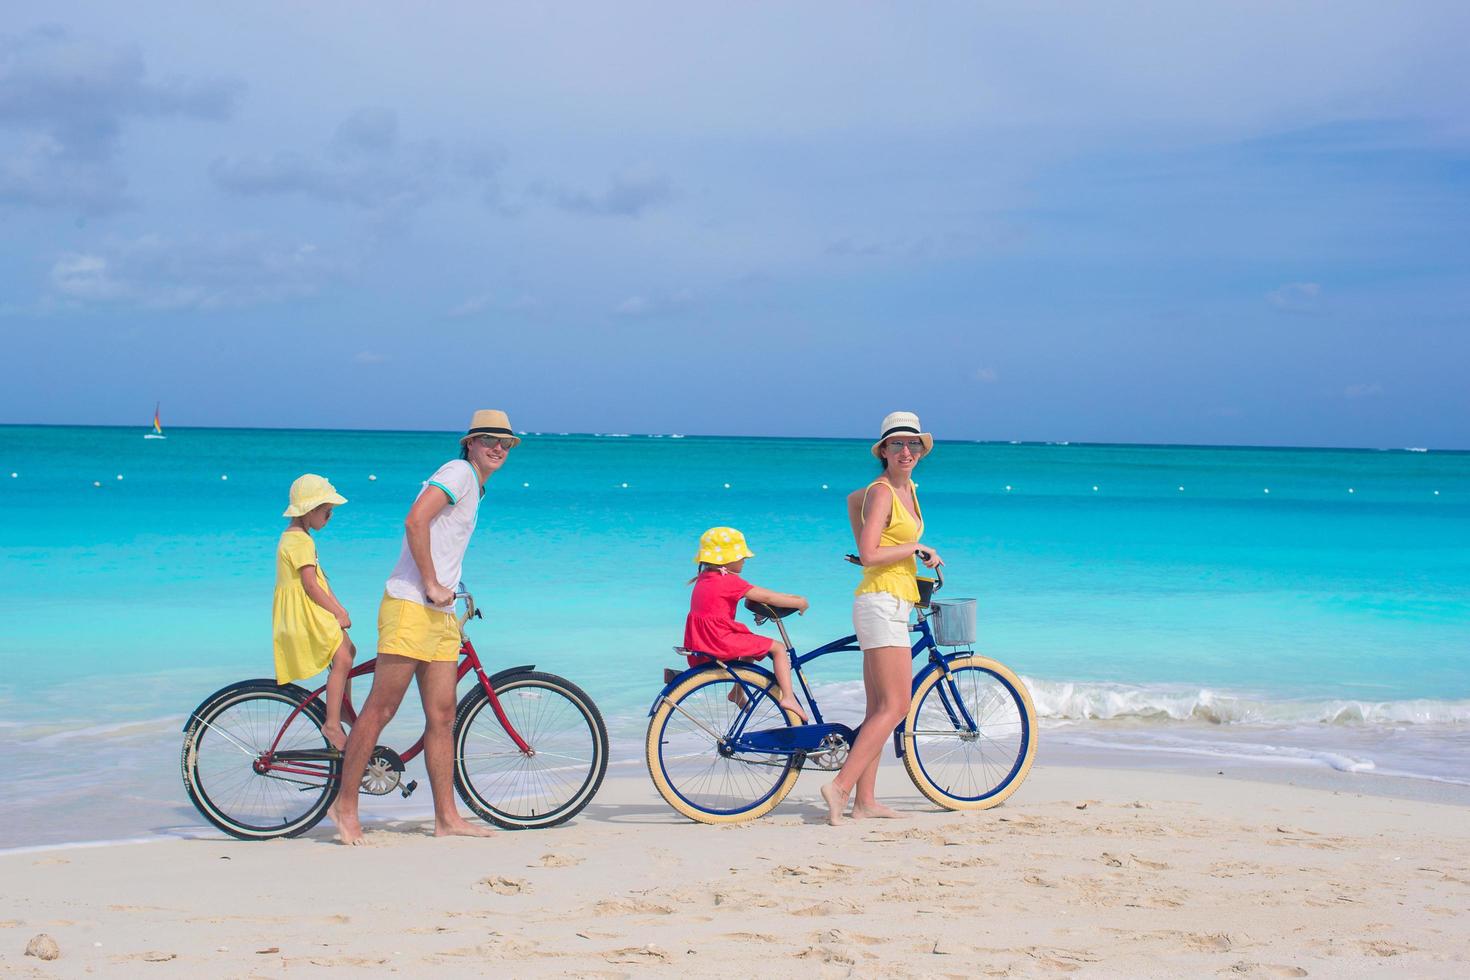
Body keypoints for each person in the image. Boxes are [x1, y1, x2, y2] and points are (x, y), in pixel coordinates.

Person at [328, 410, 518, 844]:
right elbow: (415, 520)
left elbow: (440, 537)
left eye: (505, 443)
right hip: (411, 606)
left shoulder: (475, 483)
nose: (498, 448)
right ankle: (345, 806)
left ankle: (446, 818)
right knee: (381, 709)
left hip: (439, 614)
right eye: (489, 439)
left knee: (443, 715)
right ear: (469, 442)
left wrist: (449, 584)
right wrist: (431, 582)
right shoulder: (458, 472)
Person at [821, 411, 942, 825]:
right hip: (882, 602)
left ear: (921, 450)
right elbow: (872, 554)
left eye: (912, 444)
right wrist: (914, 549)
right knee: (897, 704)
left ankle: (865, 801)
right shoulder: (885, 492)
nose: (905, 451)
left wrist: (892, 546)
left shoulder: (902, 490)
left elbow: (853, 500)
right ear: (884, 451)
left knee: (878, 708)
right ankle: (839, 788)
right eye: (896, 444)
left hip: (890, 599)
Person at [682, 527, 808, 721]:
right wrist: (799, 602)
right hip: (719, 640)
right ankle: (789, 697)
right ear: (726, 559)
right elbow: (766, 596)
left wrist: (786, 597)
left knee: (750, 646)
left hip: (702, 640)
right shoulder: (729, 581)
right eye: (741, 557)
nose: (744, 560)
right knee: (778, 648)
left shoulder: (704, 577)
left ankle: (737, 692)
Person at [273, 474, 356, 750]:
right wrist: (336, 611)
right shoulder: (299, 541)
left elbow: (320, 580)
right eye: (326, 511)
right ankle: (332, 723)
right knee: (342, 657)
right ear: (309, 510)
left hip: (310, 609)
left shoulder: (301, 537)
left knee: (348, 650)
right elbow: (310, 585)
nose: (330, 517)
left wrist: (339, 608)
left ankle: (342, 707)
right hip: (304, 614)